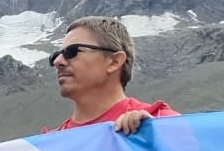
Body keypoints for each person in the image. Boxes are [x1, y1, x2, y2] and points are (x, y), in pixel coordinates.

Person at [48, 16, 179, 133]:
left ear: (114, 61)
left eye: (72, 51)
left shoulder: (162, 123)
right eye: (55, 55)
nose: (57, 61)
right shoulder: (50, 145)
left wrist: (158, 136)